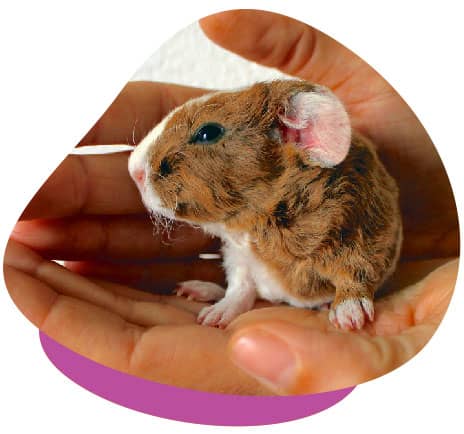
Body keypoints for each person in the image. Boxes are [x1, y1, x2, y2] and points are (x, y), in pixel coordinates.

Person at [4, 10, 458, 395]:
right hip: (266, 269)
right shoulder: (244, 215)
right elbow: (240, 240)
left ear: (294, 132)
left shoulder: (344, 187)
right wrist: (239, 291)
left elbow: (372, 237)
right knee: (241, 242)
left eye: (206, 135)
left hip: (339, 283)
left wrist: (355, 290)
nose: (140, 170)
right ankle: (241, 295)